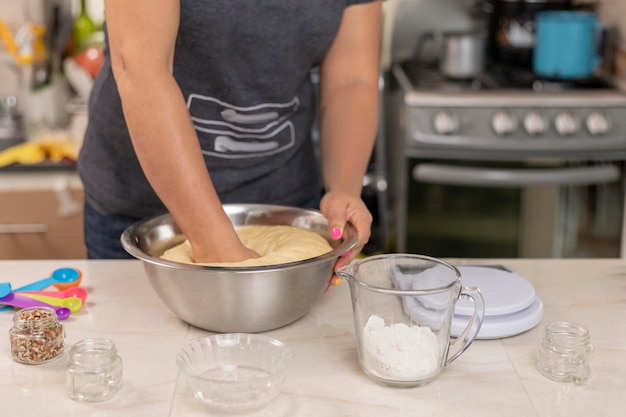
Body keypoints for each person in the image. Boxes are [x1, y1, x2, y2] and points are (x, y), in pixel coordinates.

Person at [78, 0, 382, 285]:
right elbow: (141, 68)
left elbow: (352, 79)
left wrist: (343, 192)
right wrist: (215, 246)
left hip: (285, 202)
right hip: (145, 210)